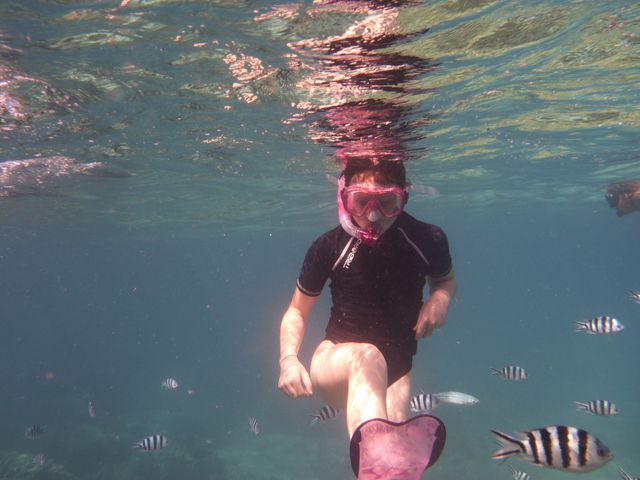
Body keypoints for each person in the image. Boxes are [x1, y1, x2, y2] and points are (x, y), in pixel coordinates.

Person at [277, 159, 456, 478]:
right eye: (361, 201)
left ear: (404, 199)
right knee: (368, 357)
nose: (373, 216)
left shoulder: (427, 239)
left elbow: (445, 281)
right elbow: (296, 311)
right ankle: (378, 464)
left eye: (387, 203)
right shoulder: (328, 246)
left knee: (400, 453)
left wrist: (439, 300)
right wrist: (288, 359)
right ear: (344, 197)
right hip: (335, 362)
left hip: (397, 371)